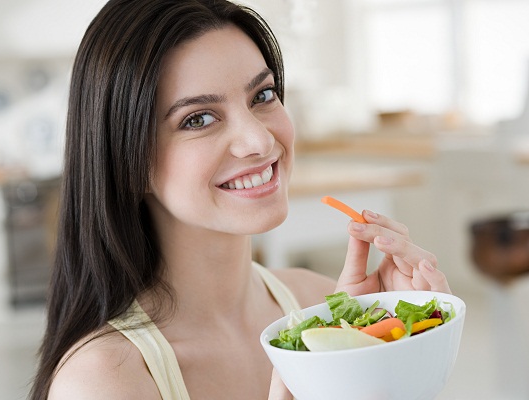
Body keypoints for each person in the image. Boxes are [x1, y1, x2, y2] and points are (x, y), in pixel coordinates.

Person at [29, 0, 451, 399]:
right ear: (128, 160)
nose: (259, 140)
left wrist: (409, 352)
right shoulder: (103, 381)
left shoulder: (319, 302)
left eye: (262, 95)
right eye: (198, 119)